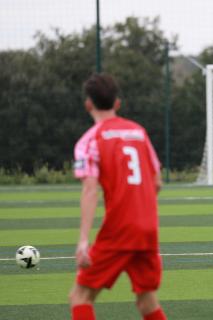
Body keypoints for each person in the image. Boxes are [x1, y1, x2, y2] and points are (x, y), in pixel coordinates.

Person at [69, 73, 167, 320]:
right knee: (147, 302)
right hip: (147, 228)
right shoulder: (139, 133)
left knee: (80, 297)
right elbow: (157, 182)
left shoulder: (89, 140)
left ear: (88, 104)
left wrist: (83, 241)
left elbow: (90, 189)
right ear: (117, 103)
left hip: (120, 229)